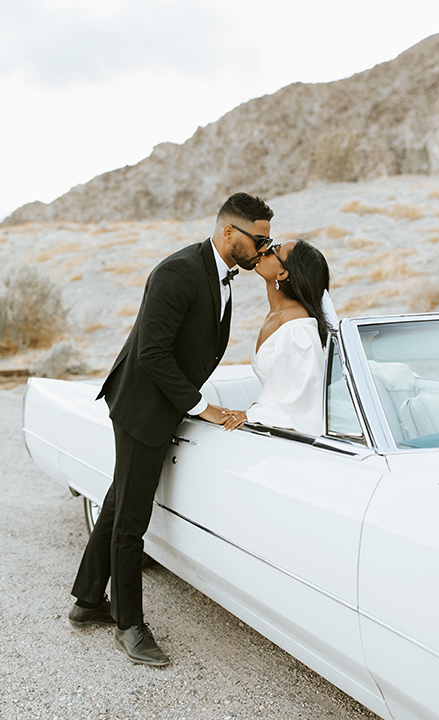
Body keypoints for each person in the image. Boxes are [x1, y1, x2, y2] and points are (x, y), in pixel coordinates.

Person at [68, 192, 274, 666]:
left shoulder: (222, 274)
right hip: (143, 408)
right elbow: (152, 354)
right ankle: (129, 625)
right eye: (258, 239)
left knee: (120, 499)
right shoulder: (178, 271)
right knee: (130, 521)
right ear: (229, 232)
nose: (264, 248)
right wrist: (203, 408)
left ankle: (87, 602)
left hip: (163, 403)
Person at [222, 239, 338, 436]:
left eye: (274, 249)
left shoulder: (295, 322)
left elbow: (303, 396)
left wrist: (257, 415)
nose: (264, 250)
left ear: (282, 273)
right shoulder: (276, 315)